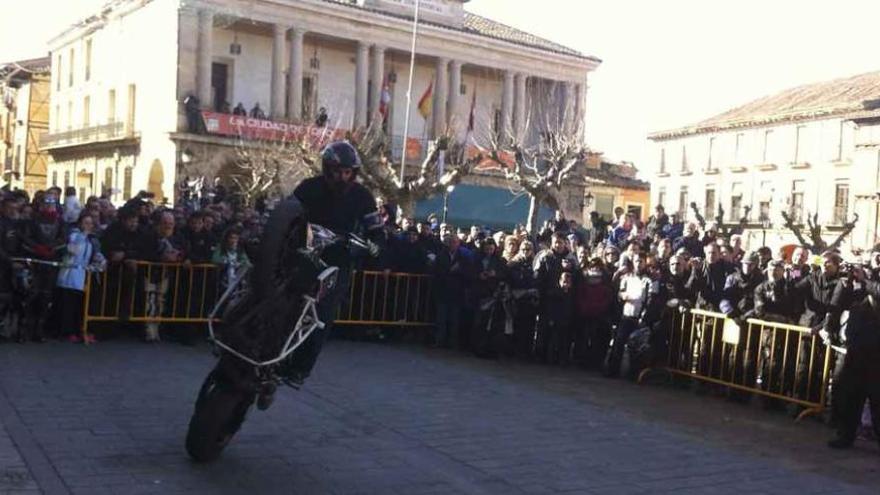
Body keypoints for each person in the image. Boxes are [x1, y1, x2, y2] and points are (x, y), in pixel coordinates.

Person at [287, 141, 384, 381]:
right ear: (327, 168)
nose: (342, 176)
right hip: (302, 251)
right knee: (271, 279)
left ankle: (300, 368)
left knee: (322, 315)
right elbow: (285, 212)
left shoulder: (362, 196)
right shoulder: (308, 187)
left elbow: (377, 231)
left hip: (337, 263)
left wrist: (373, 245)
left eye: (347, 172)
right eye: (338, 171)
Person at [56, 214, 105, 343]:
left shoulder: (92, 240)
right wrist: (81, 237)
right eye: (85, 223)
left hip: (84, 274)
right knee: (69, 304)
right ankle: (68, 331)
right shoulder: (74, 236)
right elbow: (72, 250)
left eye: (90, 223)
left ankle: (81, 329)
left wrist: (99, 259)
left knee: (81, 305)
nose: (88, 226)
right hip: (70, 273)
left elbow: (95, 255)